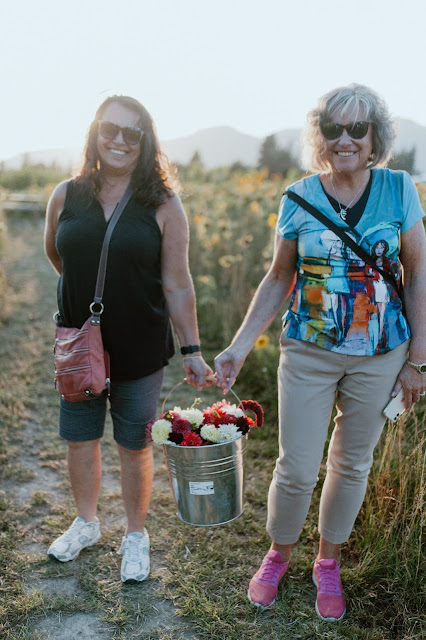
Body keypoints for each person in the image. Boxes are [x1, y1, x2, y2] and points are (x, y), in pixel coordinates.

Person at [214, 84, 426, 621]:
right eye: (333, 128)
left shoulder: (399, 189)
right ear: (320, 136)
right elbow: (278, 277)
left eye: (357, 128)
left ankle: (327, 563)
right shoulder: (298, 196)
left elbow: (419, 272)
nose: (345, 139)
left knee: (352, 465)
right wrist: (239, 345)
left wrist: (417, 360)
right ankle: (279, 554)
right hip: (308, 350)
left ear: (374, 135)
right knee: (296, 466)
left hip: (382, 353)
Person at [44, 95, 212, 583]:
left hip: (140, 343)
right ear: (95, 132)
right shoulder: (66, 195)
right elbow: (58, 255)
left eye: (131, 133)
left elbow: (178, 283)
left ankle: (136, 535)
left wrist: (192, 349)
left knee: (135, 442)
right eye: (110, 129)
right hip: (80, 343)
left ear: (145, 141)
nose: (118, 140)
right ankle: (86, 523)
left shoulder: (163, 204)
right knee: (80, 437)